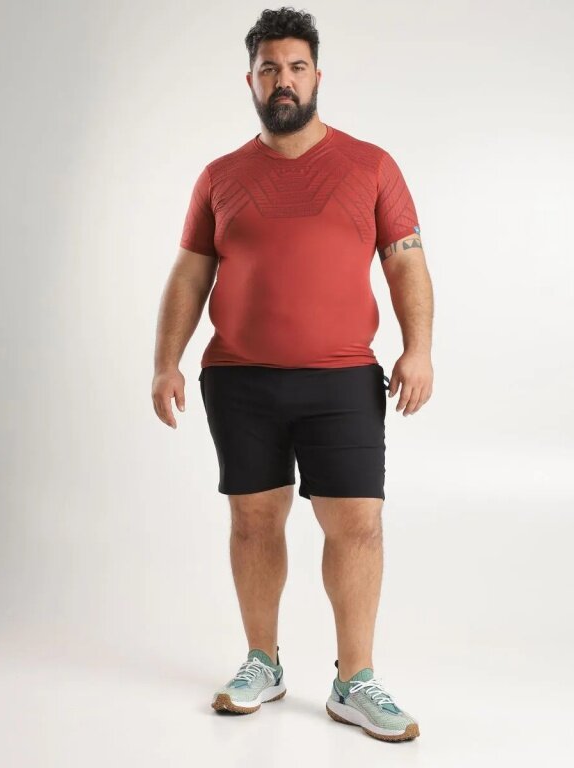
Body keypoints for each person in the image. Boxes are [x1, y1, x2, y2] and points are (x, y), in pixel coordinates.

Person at [153, 7, 433, 743]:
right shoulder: (220, 177)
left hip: (342, 379)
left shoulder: (371, 166)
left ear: (317, 76)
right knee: (253, 520)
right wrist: (165, 362)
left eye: (297, 67)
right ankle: (262, 662)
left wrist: (419, 348)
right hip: (239, 379)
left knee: (358, 524)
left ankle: (354, 680)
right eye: (270, 68)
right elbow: (190, 274)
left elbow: (405, 262)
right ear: (250, 80)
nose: (284, 79)